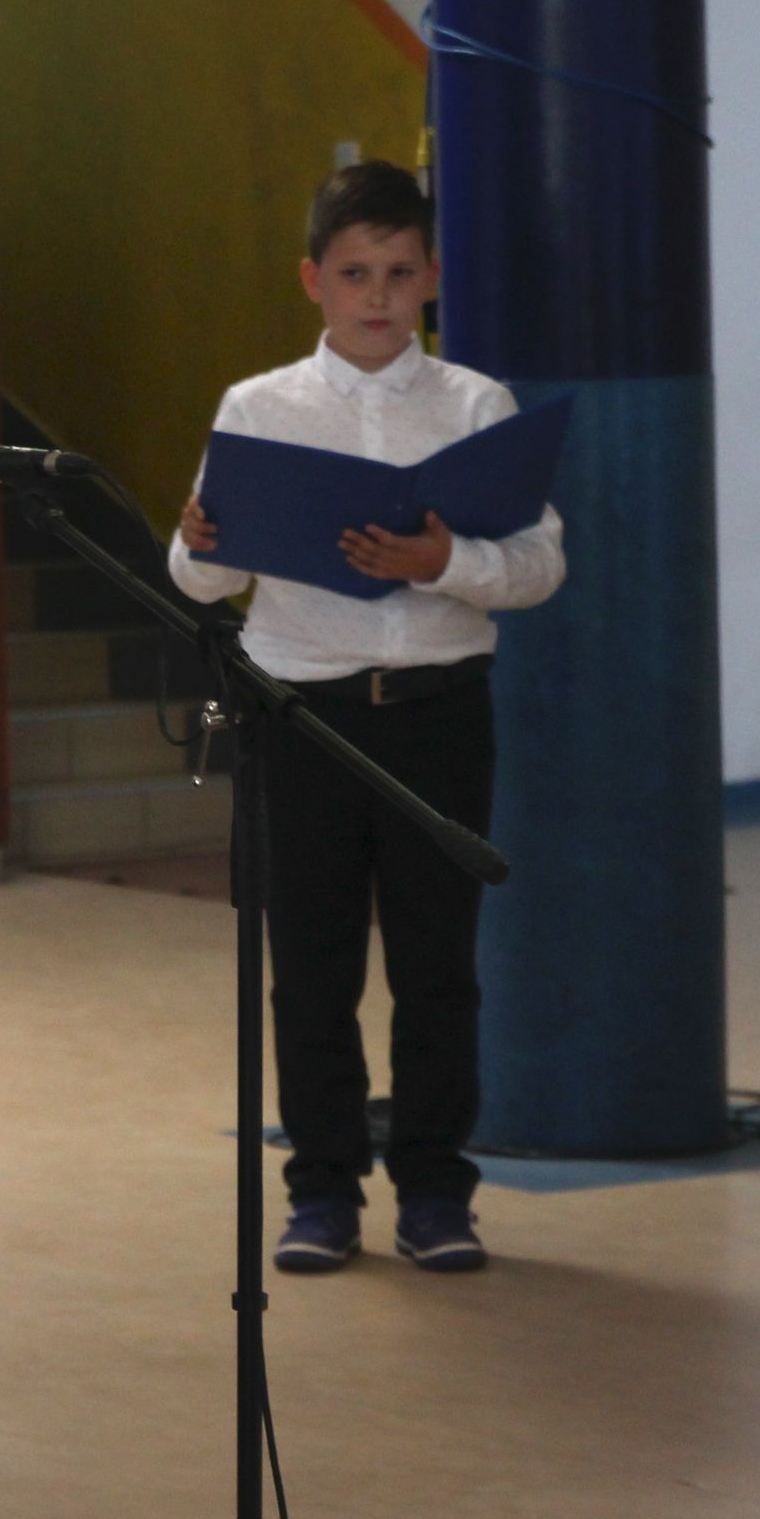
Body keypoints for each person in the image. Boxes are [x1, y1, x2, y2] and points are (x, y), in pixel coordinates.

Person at [170, 160, 564, 1275]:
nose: (377, 295)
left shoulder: (475, 404)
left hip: (439, 711)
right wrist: (202, 544)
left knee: (439, 967)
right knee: (312, 966)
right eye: (354, 273)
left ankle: (436, 1193)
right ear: (314, 280)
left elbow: (540, 566)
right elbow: (197, 578)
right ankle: (322, 1194)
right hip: (302, 717)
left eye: (398, 272)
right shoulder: (259, 407)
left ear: (432, 276)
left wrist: (446, 562)